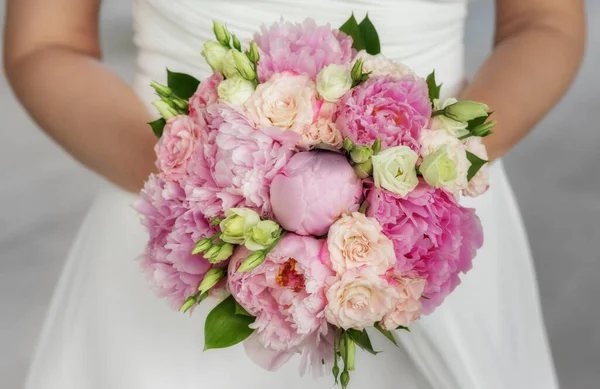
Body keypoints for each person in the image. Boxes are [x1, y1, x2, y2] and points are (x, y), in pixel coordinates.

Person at [4, 0, 585, 388]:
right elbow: (45, 42)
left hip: (424, 229)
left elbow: (546, 22)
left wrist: (432, 172)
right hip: (175, 222)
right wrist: (206, 184)